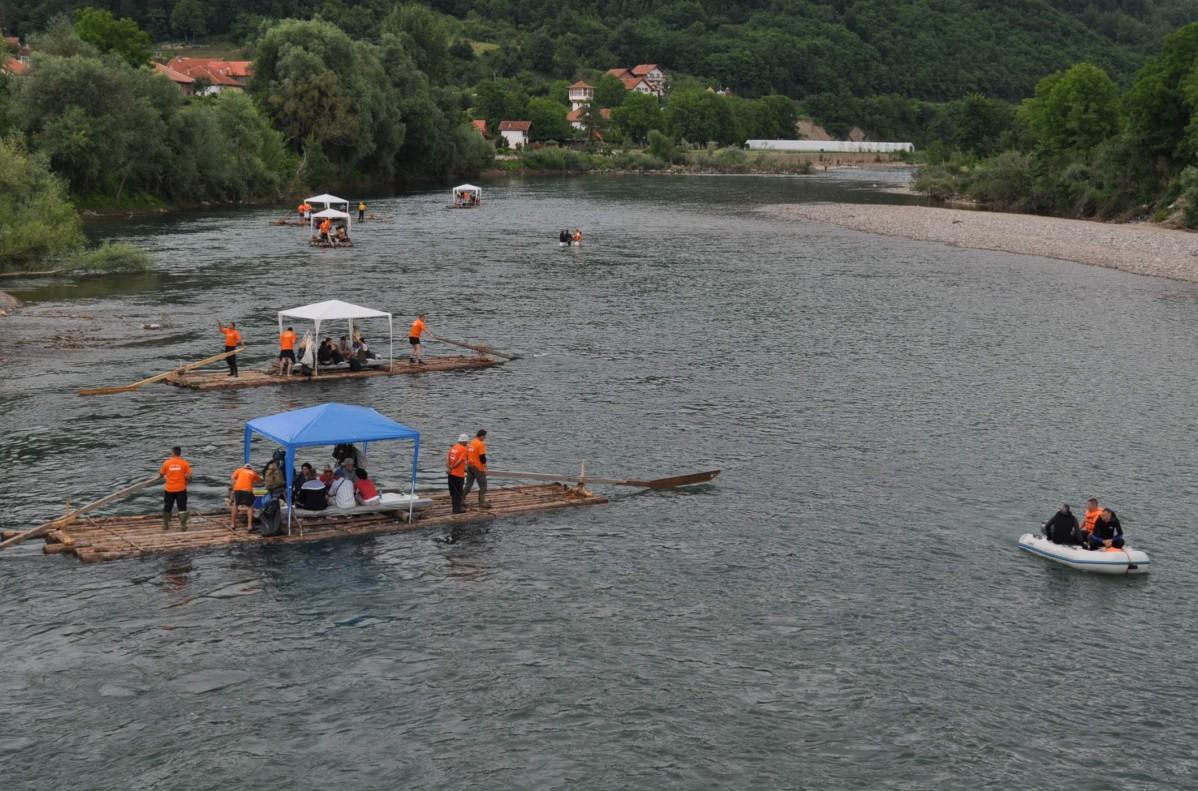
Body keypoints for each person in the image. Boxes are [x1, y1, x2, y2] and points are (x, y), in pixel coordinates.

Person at [160, 446, 192, 531]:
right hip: (181, 489)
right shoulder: (184, 463)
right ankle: (183, 526)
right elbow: (189, 475)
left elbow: (161, 474)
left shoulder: (166, 463)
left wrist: (165, 476)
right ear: (180, 453)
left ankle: (165, 525)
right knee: (182, 507)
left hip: (169, 489)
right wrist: (186, 479)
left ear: (173, 453)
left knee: (167, 507)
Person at [230, 463, 263, 531]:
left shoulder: (239, 470)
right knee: (250, 507)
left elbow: (232, 477)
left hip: (238, 489)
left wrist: (234, 487)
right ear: (250, 468)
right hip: (248, 490)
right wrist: (253, 481)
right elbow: (260, 481)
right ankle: (249, 526)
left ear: (244, 467)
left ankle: (233, 524)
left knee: (235, 504)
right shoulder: (253, 472)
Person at [463, 429, 490, 509]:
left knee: (468, 484)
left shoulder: (471, 442)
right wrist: (485, 467)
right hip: (478, 467)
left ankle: (461, 499)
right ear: (481, 436)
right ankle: (482, 503)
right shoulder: (480, 444)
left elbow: (467, 454)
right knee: (483, 485)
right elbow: (482, 457)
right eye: (484, 436)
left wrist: (467, 464)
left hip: (470, 466)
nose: (484, 438)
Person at [447, 433, 469, 513]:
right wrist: (453, 467)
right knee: (458, 491)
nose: (467, 443)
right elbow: (460, 461)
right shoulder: (463, 449)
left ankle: (455, 507)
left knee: (453, 492)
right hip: (458, 474)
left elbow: (447, 459)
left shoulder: (453, 447)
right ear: (463, 441)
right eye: (466, 442)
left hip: (451, 474)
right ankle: (457, 509)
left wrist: (449, 468)